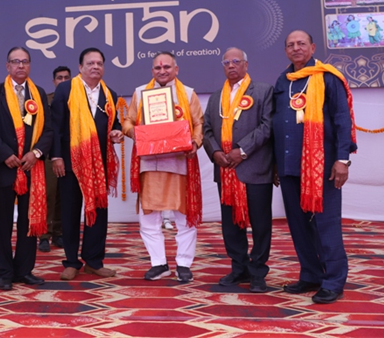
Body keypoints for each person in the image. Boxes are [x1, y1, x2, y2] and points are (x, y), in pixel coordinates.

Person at [273, 30, 357, 304]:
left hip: (322, 166)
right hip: (289, 165)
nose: (296, 48)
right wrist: (275, 163)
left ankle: (333, 281)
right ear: (285, 50)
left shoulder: (328, 77)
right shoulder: (283, 81)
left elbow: (342, 119)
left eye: (301, 43)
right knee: (298, 225)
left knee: (326, 224)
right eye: (290, 45)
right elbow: (277, 123)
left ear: (313, 47)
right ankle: (310, 274)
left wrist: (342, 159)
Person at [122, 52, 203, 283]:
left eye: (167, 67)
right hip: (149, 163)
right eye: (158, 68)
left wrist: (195, 142)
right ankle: (158, 263)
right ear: (152, 71)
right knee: (149, 217)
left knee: (183, 216)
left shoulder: (188, 93)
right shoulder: (140, 93)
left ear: (176, 69)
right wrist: (137, 134)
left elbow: (198, 123)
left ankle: (184, 263)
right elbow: (128, 121)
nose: (162, 71)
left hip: (179, 162)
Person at [202, 48, 274, 293]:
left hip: (255, 168)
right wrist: (215, 153)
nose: (231, 65)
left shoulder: (263, 91)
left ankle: (258, 271)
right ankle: (239, 267)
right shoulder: (215, 97)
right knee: (231, 224)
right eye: (227, 62)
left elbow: (267, 126)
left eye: (236, 61)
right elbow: (206, 129)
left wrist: (241, 150)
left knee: (260, 224)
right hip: (225, 170)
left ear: (246, 64)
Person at [0, 47, 53, 291]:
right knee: (1, 223)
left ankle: (24, 270)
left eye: (25, 61)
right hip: (2, 167)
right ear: (7, 66)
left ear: (30, 65)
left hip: (32, 167)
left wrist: (37, 153)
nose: (20, 66)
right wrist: (4, 155)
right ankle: (3, 272)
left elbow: (48, 129)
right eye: (15, 61)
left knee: (28, 221)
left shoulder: (38, 93)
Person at [51, 48, 124, 281]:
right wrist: (56, 156)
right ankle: (71, 262)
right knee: (70, 212)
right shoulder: (66, 89)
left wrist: (116, 132)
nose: (95, 67)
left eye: (99, 63)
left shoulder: (110, 94)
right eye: (90, 63)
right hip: (70, 162)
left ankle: (94, 261)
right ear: (80, 67)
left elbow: (115, 123)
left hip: (99, 164)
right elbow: (55, 126)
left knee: (98, 213)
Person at [38, 66, 71, 253]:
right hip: (49, 154)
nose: (63, 81)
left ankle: (58, 232)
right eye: (59, 78)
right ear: (53, 81)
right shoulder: (46, 100)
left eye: (66, 78)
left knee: (63, 195)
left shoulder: (76, 99)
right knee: (48, 195)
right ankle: (44, 234)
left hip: (70, 154)